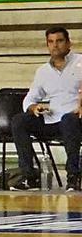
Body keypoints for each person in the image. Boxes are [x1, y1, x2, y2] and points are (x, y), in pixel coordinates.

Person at [9, 26, 82, 192]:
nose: (55, 45)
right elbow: (30, 97)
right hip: (52, 120)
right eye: (51, 42)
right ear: (47, 45)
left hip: (76, 119)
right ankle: (28, 175)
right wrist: (34, 107)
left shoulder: (80, 63)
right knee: (19, 120)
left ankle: (73, 176)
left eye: (60, 41)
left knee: (68, 120)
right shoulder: (42, 71)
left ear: (69, 43)